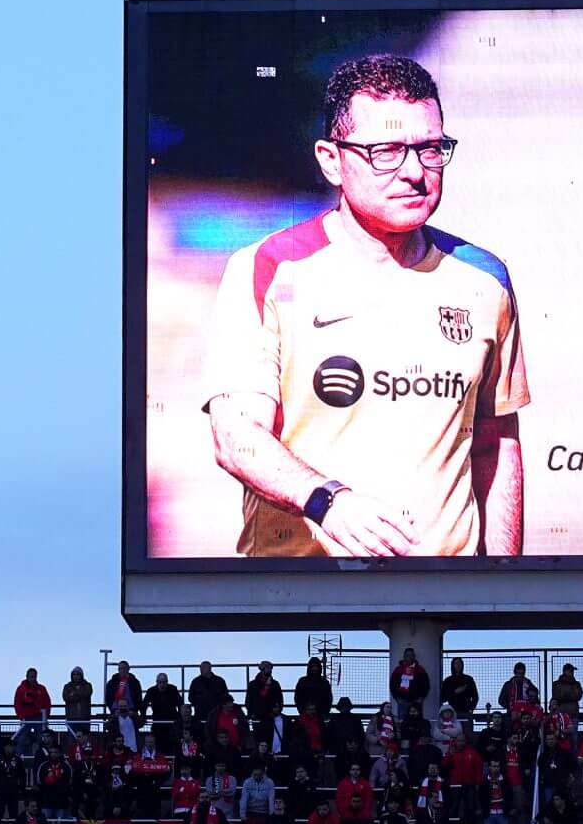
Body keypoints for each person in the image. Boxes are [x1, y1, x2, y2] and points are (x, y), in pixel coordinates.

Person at [200, 52, 528, 558]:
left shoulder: (485, 279)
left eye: (431, 149)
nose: (415, 172)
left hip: (440, 603)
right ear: (331, 160)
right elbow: (236, 436)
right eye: (387, 152)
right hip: (302, 602)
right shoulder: (267, 268)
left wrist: (503, 582)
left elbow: (496, 443)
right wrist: (328, 502)